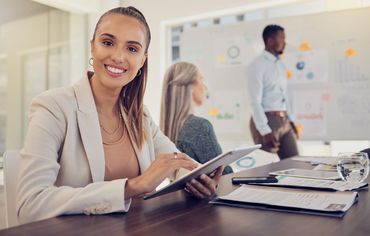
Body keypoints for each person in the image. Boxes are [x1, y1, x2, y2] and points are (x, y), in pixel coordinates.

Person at [16, 6, 223, 224]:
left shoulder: (139, 115)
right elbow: (30, 205)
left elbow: (175, 161)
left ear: (142, 60)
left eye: (132, 49)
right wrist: (132, 186)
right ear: (92, 47)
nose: (118, 56)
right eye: (107, 43)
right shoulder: (54, 107)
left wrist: (198, 177)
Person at [160, 62, 233, 174]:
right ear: (191, 87)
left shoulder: (166, 130)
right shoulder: (199, 126)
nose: (205, 87)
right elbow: (225, 174)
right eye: (201, 80)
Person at [247, 24, 299, 159]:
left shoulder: (281, 65)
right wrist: (264, 130)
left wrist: (291, 121)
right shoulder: (257, 65)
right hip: (267, 120)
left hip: (284, 120)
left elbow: (284, 95)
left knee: (294, 163)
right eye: (282, 38)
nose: (285, 43)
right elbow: (254, 101)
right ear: (270, 41)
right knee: (266, 168)